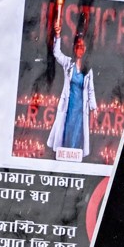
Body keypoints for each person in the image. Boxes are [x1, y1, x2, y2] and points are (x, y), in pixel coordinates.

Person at [46, 8, 97, 159]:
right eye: (77, 46)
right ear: (74, 48)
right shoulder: (68, 63)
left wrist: (94, 108)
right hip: (69, 105)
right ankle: (64, 157)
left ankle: (73, 158)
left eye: (82, 46)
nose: (80, 49)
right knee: (66, 130)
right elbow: (56, 53)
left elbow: (91, 91)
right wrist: (57, 35)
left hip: (81, 108)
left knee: (78, 132)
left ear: (85, 49)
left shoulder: (88, 70)